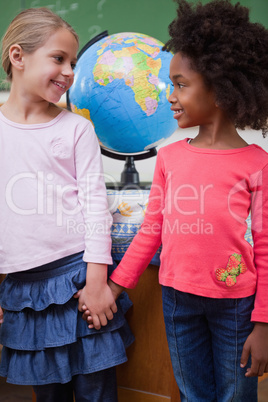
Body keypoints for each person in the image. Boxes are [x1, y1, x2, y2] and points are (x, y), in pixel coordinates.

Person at [83, 0, 268, 401]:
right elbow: (152, 231)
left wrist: (264, 325)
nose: (170, 95)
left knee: (236, 395)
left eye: (181, 84)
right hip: (176, 298)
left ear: (220, 88)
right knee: (191, 394)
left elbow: (267, 249)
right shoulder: (170, 157)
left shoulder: (257, 164)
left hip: (236, 305)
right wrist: (112, 289)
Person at [0, 7, 133, 402]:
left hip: (78, 282)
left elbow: (96, 207)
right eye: (59, 58)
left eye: (72, 62)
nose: (70, 71)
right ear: (18, 56)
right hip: (24, 292)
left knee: (97, 392)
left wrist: (96, 283)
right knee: (49, 395)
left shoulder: (77, 129)